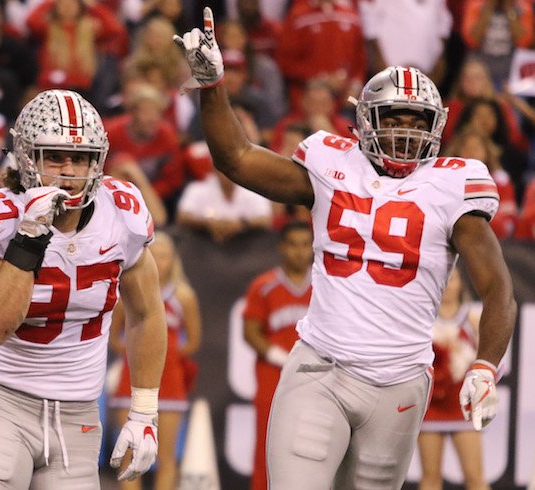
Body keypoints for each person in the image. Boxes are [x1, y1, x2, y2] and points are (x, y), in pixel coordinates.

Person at [175, 10, 516, 488]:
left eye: (415, 122)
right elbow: (237, 157)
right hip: (321, 367)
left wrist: (485, 363)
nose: (402, 133)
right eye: (390, 119)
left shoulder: (453, 186)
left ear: (436, 127)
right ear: (363, 122)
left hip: (400, 382)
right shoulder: (333, 165)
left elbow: (498, 285)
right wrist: (212, 87)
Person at [0, 88, 167, 488]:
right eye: (56, 157)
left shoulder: (122, 213)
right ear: (28, 159)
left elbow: (147, 313)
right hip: (3, 403)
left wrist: (144, 411)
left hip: (78, 416)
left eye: (81, 158)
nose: (70, 171)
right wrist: (28, 237)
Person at [109, 231, 202, 490]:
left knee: (166, 456)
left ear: (173, 260)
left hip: (170, 383)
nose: (160, 262)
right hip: (131, 379)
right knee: (129, 453)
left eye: (165, 257)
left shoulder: (184, 296)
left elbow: (193, 341)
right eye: (154, 256)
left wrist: (163, 355)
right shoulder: (126, 291)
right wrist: (136, 353)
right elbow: (114, 336)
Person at [241, 221, 313, 490]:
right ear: (282, 247)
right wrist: (277, 356)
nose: (299, 252)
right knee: (268, 446)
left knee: (315, 448)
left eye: (306, 244)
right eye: (293, 244)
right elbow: (250, 331)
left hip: (317, 380)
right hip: (274, 377)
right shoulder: (264, 286)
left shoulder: (325, 286)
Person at [418, 267, 488, 490]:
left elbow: (488, 360)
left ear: (460, 284)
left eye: (453, 279)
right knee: (430, 477)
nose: (448, 286)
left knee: (475, 477)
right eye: (443, 280)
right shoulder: (423, 319)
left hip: (463, 405)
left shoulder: (472, 318)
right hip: (431, 406)